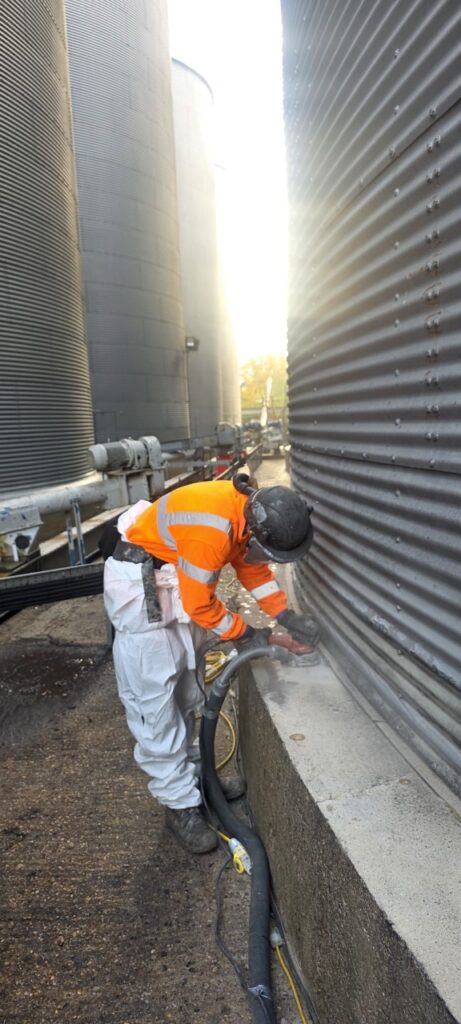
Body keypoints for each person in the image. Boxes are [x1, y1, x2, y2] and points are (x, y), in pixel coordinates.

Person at [103, 472, 319, 854]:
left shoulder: (245, 512)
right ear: (258, 531)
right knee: (155, 705)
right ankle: (179, 805)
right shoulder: (212, 530)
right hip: (140, 589)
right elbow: (199, 603)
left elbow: (250, 567)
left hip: (172, 575)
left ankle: (196, 780)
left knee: (189, 693)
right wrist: (246, 633)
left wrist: (285, 616)